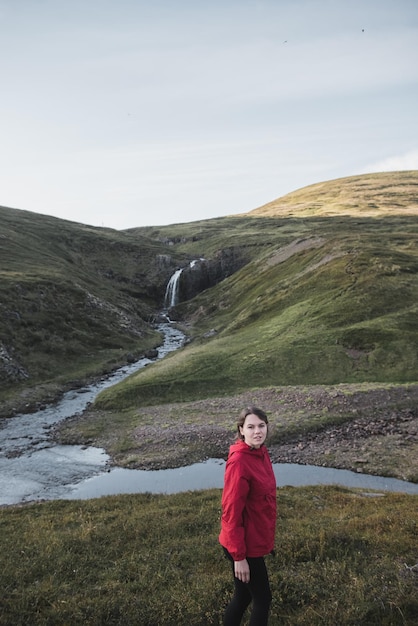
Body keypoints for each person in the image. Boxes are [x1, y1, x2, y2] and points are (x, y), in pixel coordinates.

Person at [219, 406, 277, 626]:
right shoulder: (239, 462)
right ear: (241, 430)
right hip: (243, 546)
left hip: (251, 539)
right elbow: (231, 513)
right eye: (250, 427)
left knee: (244, 596)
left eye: (261, 426)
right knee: (263, 598)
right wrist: (239, 557)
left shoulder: (261, 453)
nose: (257, 431)